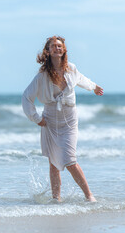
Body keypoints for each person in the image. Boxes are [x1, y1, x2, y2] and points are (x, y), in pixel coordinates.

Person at [22, 36, 103, 202]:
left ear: (64, 49)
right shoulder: (41, 76)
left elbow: (82, 79)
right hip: (50, 120)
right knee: (53, 162)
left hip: (69, 120)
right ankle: (55, 199)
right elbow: (26, 98)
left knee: (69, 160)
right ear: (48, 51)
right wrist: (37, 118)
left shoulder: (71, 69)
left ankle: (89, 196)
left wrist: (94, 87)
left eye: (59, 46)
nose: (57, 48)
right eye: (53, 46)